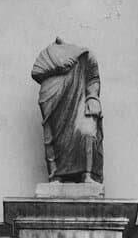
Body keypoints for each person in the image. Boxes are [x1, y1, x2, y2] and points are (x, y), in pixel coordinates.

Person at [30, 37, 103, 183]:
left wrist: (92, 97)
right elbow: (36, 72)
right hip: (53, 98)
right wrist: (57, 69)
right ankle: (55, 176)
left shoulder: (84, 54)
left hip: (79, 98)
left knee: (87, 132)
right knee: (53, 136)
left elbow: (93, 78)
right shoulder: (47, 54)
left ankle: (87, 175)